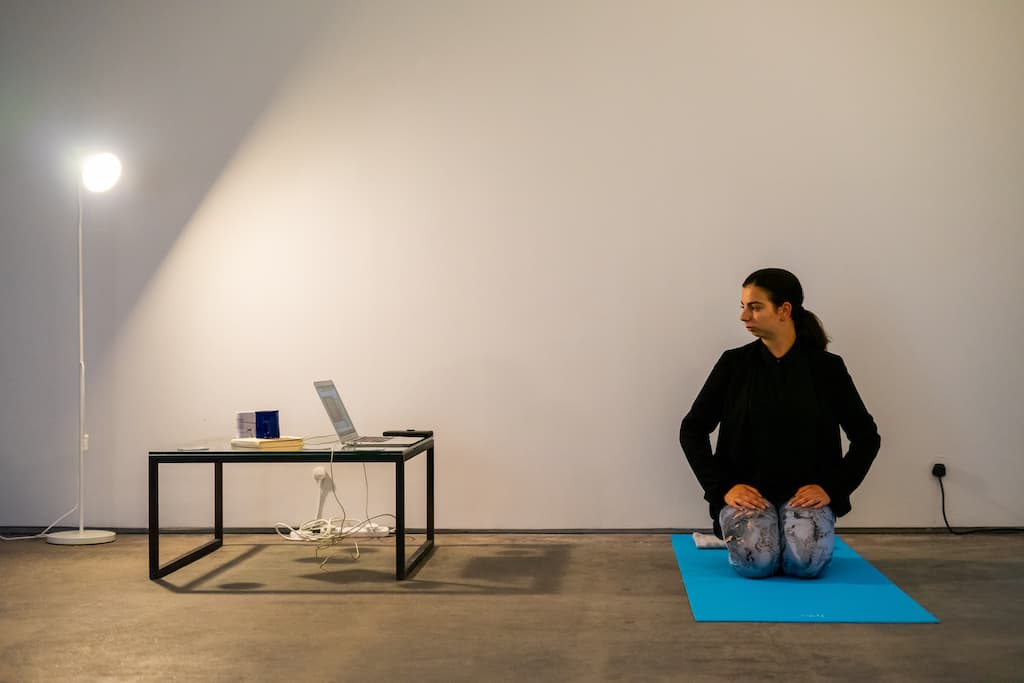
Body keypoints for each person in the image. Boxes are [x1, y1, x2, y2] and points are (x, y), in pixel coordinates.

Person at [679, 268, 880, 579]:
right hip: (748, 495)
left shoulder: (827, 369)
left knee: (805, 563)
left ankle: (788, 536)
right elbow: (692, 429)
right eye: (743, 306)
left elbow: (866, 436)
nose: (744, 316)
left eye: (755, 306)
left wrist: (833, 488)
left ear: (784, 310)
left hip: (804, 496)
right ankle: (766, 535)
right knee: (756, 564)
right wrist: (723, 488)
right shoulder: (734, 364)